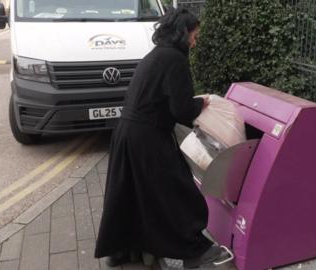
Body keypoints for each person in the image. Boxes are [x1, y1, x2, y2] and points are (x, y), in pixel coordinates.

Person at [94, 7, 225, 268]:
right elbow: (181, 110)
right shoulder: (175, 59)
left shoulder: (155, 55)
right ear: (183, 33)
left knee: (128, 192)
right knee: (180, 190)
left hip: (126, 134)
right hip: (148, 136)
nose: (195, 42)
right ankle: (193, 251)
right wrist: (204, 103)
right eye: (194, 36)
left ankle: (122, 249)